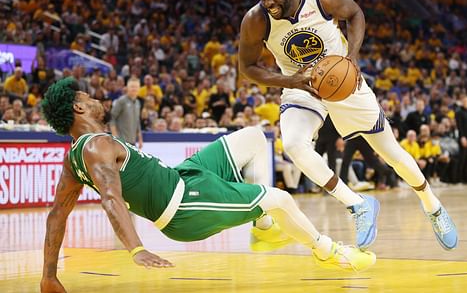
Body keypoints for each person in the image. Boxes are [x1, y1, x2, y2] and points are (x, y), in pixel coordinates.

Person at [39, 78, 375, 293]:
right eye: (89, 97)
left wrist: (49, 276)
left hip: (184, 175)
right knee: (281, 198)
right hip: (183, 207)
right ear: (78, 107)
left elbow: (57, 216)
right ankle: (331, 251)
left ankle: (262, 227)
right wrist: (136, 249)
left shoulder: (74, 158)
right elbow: (111, 199)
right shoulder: (96, 146)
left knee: (256, 136)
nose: (97, 99)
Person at [238, 0, 457, 250]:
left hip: (343, 80)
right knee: (293, 144)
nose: (268, 2)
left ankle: (433, 206)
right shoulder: (256, 20)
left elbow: (355, 14)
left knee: (391, 152)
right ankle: (358, 204)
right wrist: (290, 80)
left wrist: (352, 56)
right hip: (302, 86)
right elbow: (247, 68)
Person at [110, 77, 143, 148]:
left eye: (136, 87)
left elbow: (137, 121)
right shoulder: (121, 101)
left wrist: (140, 139)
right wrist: (115, 136)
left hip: (133, 142)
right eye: (132, 86)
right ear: (127, 87)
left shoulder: (138, 103)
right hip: (121, 141)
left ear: (139, 88)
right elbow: (111, 117)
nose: (134, 89)